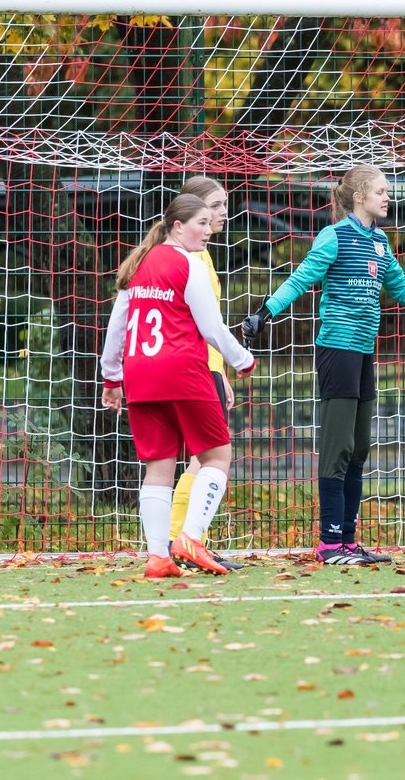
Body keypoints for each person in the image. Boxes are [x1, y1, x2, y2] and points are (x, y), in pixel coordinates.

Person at [240, 165, 405, 565]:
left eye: (387, 191)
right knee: (337, 449)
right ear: (359, 197)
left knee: (359, 449)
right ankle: (329, 543)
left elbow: (402, 289)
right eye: (380, 191)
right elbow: (301, 278)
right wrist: (265, 312)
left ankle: (349, 541)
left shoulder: (379, 241)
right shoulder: (334, 236)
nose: (387, 197)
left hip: (363, 352)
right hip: (337, 351)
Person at [100, 194, 255, 579]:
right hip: (182, 371)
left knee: (159, 468)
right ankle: (191, 537)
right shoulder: (189, 264)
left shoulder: (136, 265)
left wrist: (112, 377)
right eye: (201, 223)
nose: (208, 231)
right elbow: (212, 327)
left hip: (140, 375)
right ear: (177, 226)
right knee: (217, 457)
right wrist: (243, 359)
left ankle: (158, 557)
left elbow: (117, 327)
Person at [166, 177, 243, 572]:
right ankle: (183, 540)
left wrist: (222, 372)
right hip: (194, 367)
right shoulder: (189, 256)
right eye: (215, 205)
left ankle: (186, 541)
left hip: (207, 367)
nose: (223, 213)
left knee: (202, 459)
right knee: (205, 459)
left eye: (225, 204)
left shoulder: (203, 253)